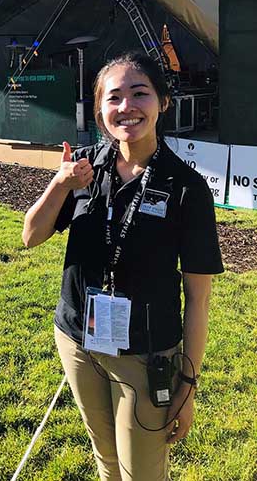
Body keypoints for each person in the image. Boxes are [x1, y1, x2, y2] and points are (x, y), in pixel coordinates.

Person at [22, 52, 223, 481]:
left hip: (146, 354)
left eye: (140, 93)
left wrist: (186, 388)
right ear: (100, 109)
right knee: (106, 459)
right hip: (77, 340)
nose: (126, 107)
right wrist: (60, 184)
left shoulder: (186, 188)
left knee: (142, 472)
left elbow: (199, 300)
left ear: (163, 102)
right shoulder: (82, 168)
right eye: (114, 97)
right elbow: (31, 235)